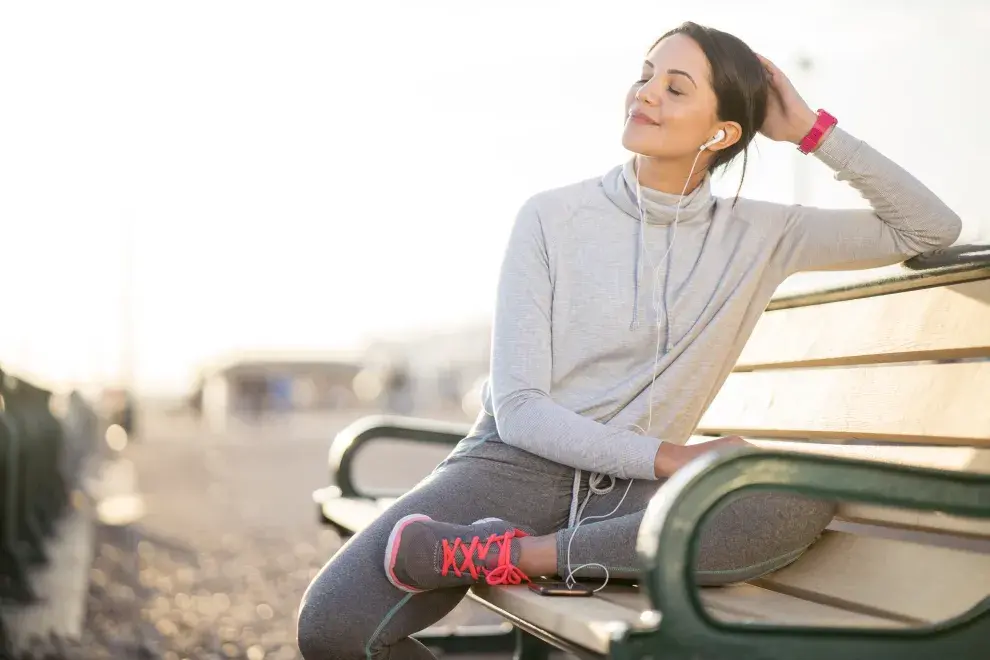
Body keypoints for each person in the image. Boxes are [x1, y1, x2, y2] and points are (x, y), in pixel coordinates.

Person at [297, 21, 962, 659]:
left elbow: (929, 227)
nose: (644, 92)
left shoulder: (765, 234)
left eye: (675, 87)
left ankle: (525, 555)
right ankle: (540, 543)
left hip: (632, 496)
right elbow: (522, 408)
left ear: (723, 130)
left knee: (795, 498)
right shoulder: (551, 218)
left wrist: (812, 132)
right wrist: (673, 458)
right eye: (646, 76)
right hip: (513, 467)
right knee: (330, 631)